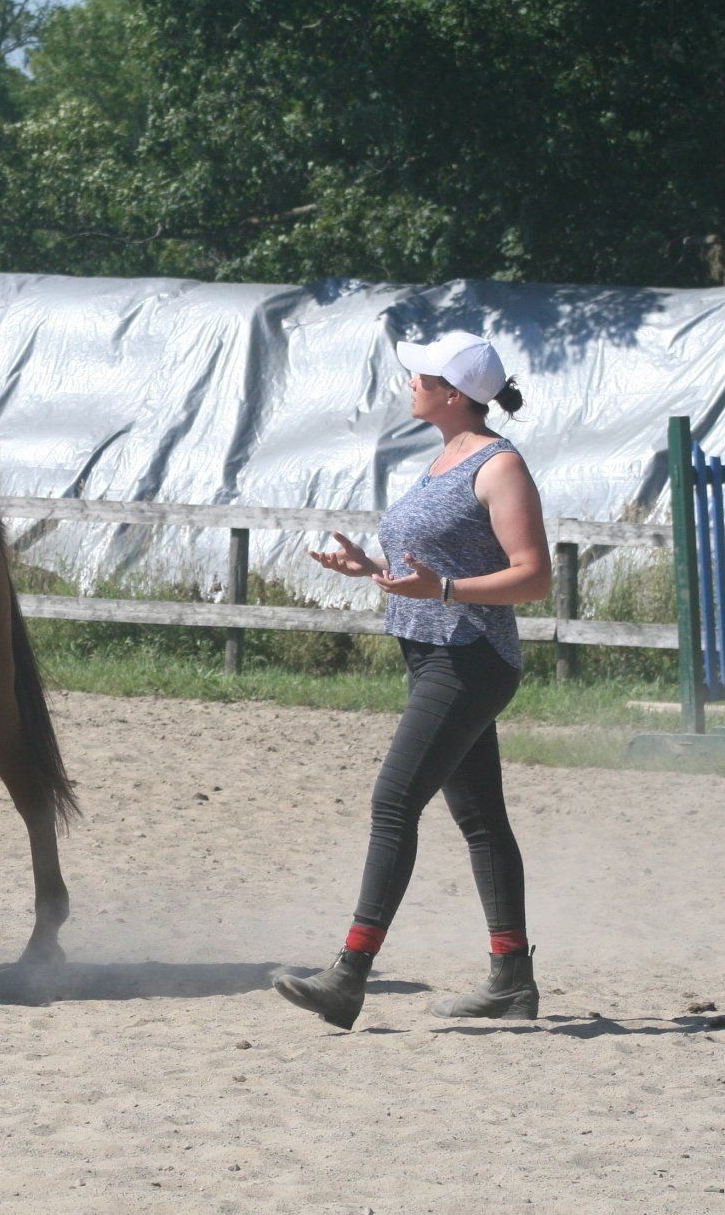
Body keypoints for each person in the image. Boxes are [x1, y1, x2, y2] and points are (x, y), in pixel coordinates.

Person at [275, 329, 550, 1030]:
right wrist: (373, 571)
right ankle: (511, 981)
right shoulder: (444, 458)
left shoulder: (498, 466)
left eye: (419, 376)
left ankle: (349, 974)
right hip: (434, 655)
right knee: (481, 820)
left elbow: (535, 577)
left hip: (470, 659)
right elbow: (430, 568)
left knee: (393, 802)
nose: (409, 384)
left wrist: (448, 592)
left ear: (453, 394)